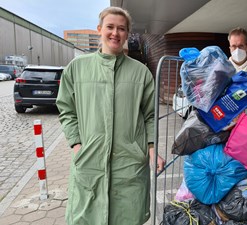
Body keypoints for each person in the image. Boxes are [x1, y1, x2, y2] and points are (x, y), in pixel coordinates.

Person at [56, 6, 165, 225]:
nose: (115, 33)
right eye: (110, 27)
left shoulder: (140, 73)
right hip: (90, 161)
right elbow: (67, 110)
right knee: (87, 217)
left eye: (121, 29)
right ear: (99, 29)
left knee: (128, 216)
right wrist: (77, 145)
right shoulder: (77, 68)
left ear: (127, 34)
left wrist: (152, 149)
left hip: (130, 164)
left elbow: (150, 115)